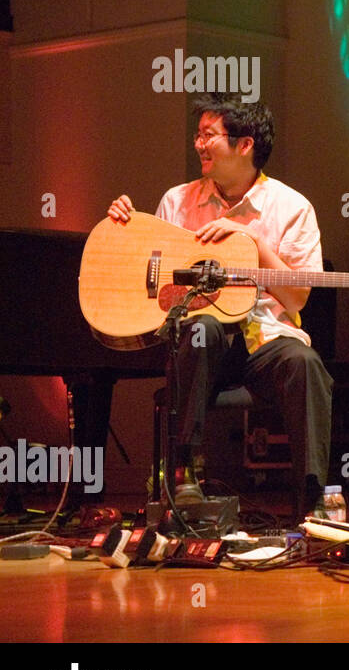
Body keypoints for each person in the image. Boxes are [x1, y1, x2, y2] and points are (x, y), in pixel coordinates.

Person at [107, 97, 332, 517]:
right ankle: (185, 473)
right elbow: (151, 274)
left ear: (245, 145)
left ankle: (311, 499)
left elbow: (298, 297)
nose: (198, 145)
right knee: (202, 325)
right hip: (203, 348)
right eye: (198, 135)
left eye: (209, 135)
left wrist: (254, 244)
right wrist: (124, 226)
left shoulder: (292, 208)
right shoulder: (178, 202)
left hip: (264, 337)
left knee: (305, 362)